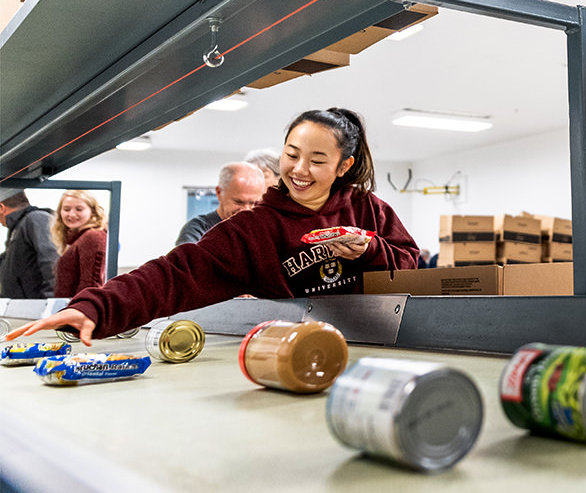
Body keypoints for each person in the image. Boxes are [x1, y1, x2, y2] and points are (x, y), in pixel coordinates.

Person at [7, 108, 419, 346]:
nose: (299, 169)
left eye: (317, 159)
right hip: (283, 350)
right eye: (292, 154)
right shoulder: (252, 230)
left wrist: (370, 250)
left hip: (369, 346)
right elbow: (174, 274)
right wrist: (92, 308)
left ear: (343, 166)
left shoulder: (370, 211)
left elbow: (412, 268)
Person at [175, 162, 266, 245]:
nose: (246, 210)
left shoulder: (261, 231)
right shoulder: (197, 230)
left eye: (254, 203)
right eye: (238, 202)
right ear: (219, 193)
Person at [0, 189, 59, 299]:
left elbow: (53, 262)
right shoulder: (17, 229)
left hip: (39, 310)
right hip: (21, 309)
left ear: (1, 208)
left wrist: (51, 304)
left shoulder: (36, 219)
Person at [51, 190, 108, 298]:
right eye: (66, 209)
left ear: (92, 211)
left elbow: (91, 285)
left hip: (79, 310)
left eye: (79, 209)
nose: (71, 214)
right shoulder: (76, 239)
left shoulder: (93, 237)